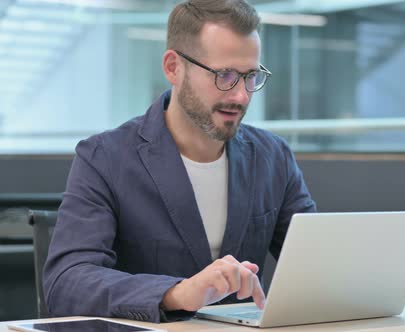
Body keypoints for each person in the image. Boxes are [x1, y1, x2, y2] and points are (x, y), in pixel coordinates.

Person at [43, 0, 316, 323]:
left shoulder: (273, 157)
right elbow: (67, 281)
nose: (241, 95)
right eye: (224, 75)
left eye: (250, 76)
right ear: (173, 67)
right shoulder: (105, 158)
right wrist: (175, 293)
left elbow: (317, 264)